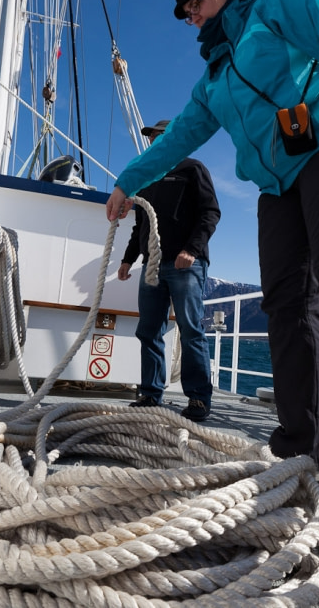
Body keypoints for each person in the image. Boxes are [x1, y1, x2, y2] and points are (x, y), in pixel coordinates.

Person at [105, 0, 319, 542]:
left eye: (193, 2)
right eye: (184, 10)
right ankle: (300, 452)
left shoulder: (278, 1)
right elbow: (177, 140)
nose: (189, 16)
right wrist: (126, 183)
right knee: (288, 305)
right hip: (282, 182)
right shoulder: (215, 76)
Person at [117, 119, 221, 423]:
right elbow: (141, 225)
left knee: (191, 330)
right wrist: (127, 260)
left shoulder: (193, 169)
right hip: (151, 265)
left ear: (173, 136)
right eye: (151, 136)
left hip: (186, 264)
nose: (154, 141)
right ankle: (150, 394)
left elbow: (210, 213)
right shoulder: (145, 176)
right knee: (148, 330)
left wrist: (192, 250)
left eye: (160, 136)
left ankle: (199, 399)